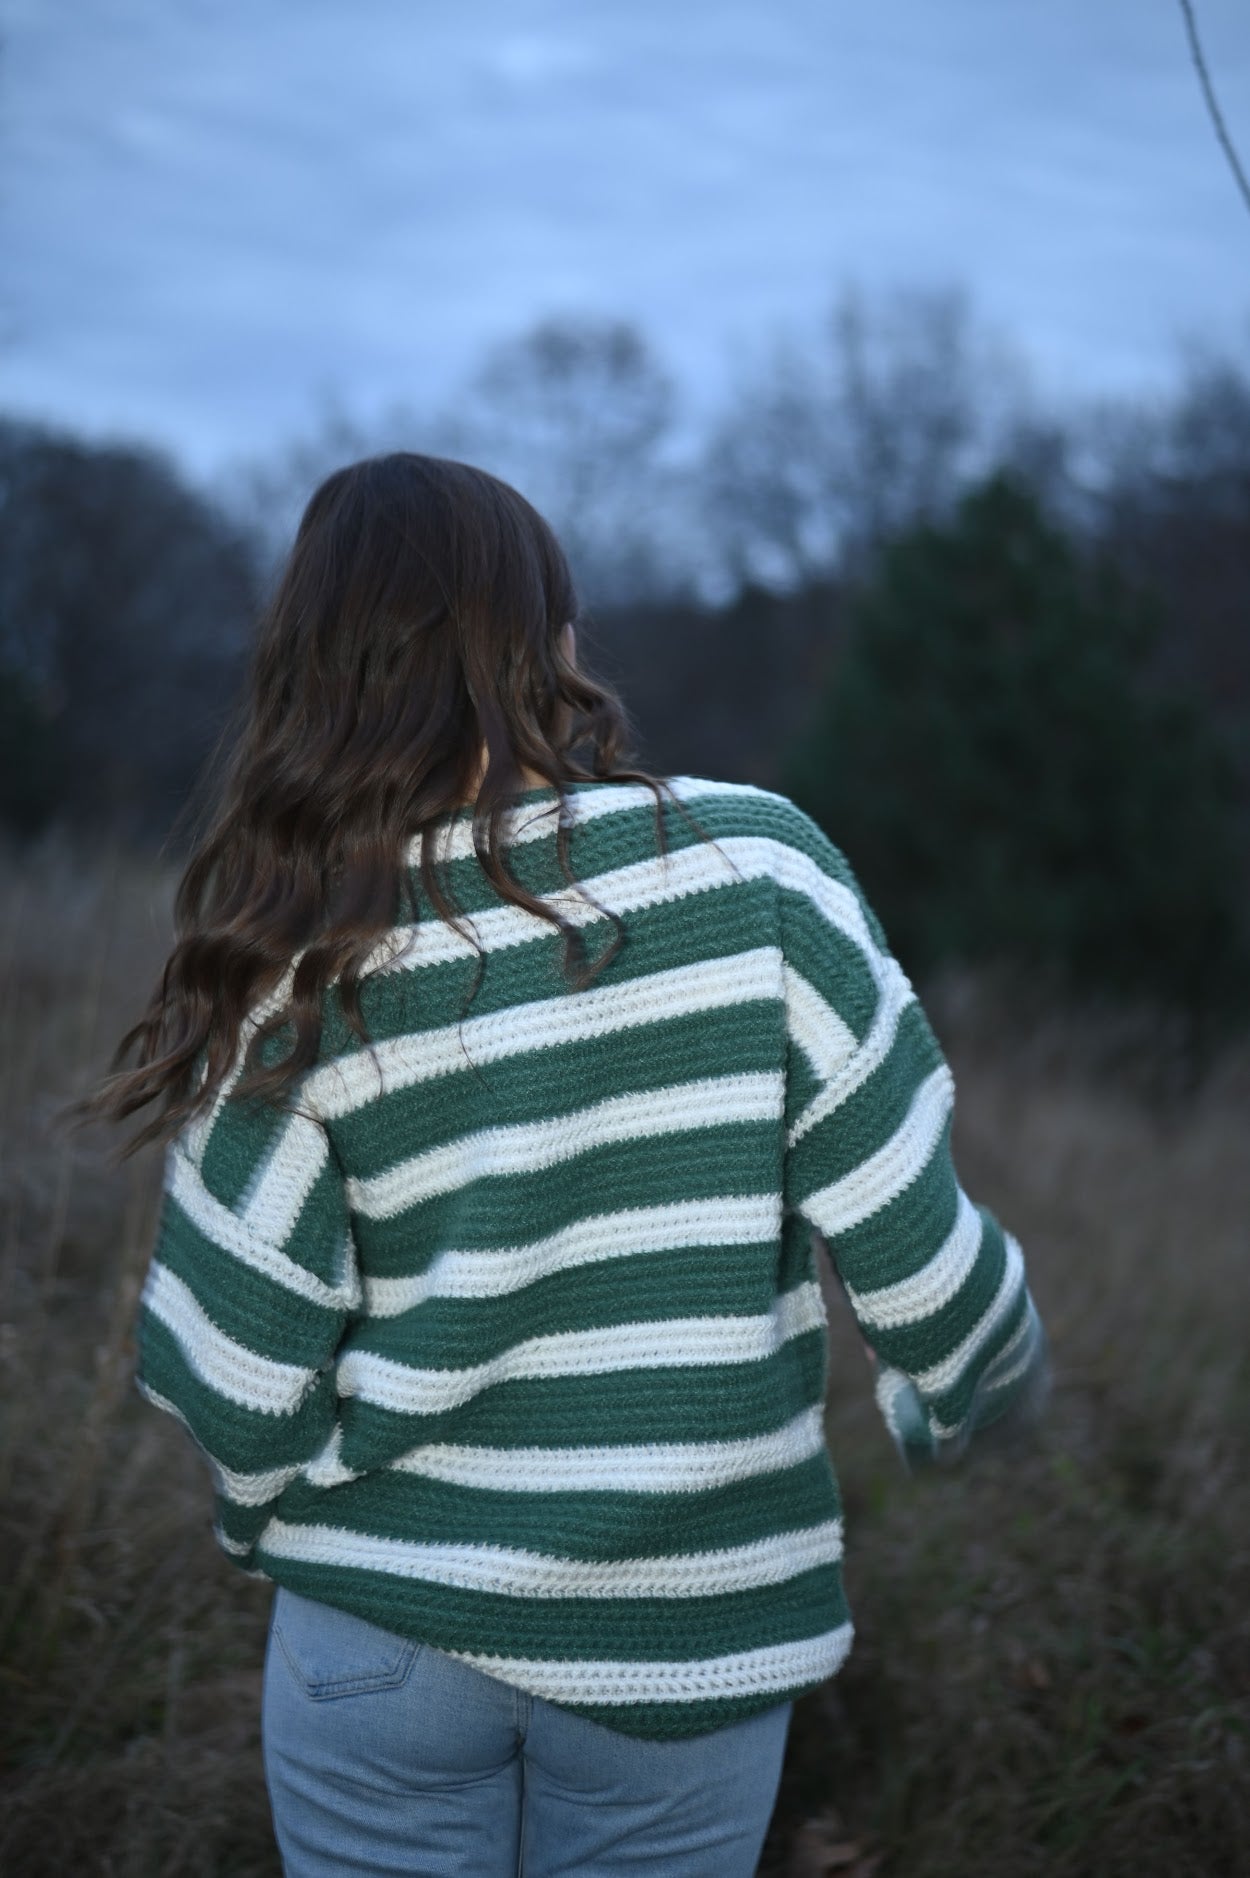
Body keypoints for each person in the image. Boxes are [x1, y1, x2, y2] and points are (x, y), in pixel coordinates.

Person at [84, 453, 1050, 1876]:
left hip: (382, 1643)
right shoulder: (754, 873)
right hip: (688, 1645)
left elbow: (235, 1377)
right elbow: (919, 1271)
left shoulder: (304, 943)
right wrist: (980, 1398)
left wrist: (294, 1521)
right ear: (545, 639)